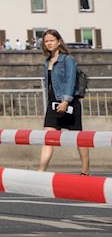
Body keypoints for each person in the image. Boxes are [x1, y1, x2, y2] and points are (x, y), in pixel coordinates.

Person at [37, 28, 90, 175]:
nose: (49, 43)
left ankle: (85, 170)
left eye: (52, 40)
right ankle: (41, 171)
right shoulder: (47, 61)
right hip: (53, 104)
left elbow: (70, 81)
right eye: (46, 41)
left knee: (78, 138)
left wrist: (66, 101)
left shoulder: (68, 60)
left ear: (59, 42)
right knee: (47, 137)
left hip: (69, 102)